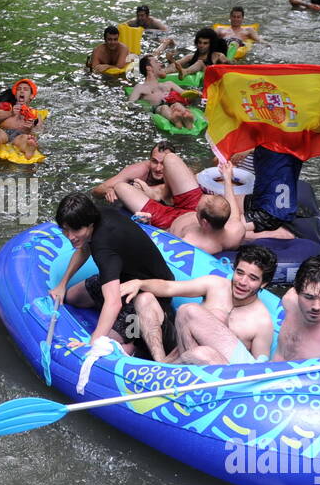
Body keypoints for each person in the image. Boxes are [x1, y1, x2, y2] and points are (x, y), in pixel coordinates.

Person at [49, 193, 178, 362]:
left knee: (108, 343)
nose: (70, 236)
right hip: (123, 281)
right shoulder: (95, 215)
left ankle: (134, 344)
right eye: (65, 229)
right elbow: (83, 249)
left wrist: (93, 341)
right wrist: (62, 284)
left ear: (89, 224)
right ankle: (118, 325)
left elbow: (113, 302)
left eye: (76, 230)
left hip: (148, 293)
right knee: (72, 296)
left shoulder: (104, 247)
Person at [118, 244, 277, 365]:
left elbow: (258, 367)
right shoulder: (215, 284)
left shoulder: (261, 322)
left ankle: (166, 367)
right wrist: (139, 283)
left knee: (213, 319)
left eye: (253, 278)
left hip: (208, 364)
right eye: (240, 273)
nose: (243, 282)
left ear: (264, 283)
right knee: (144, 299)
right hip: (177, 348)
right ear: (233, 269)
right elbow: (169, 287)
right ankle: (161, 365)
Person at [112, 152, 246, 255]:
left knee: (120, 187)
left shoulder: (190, 243)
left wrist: (146, 225)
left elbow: (160, 242)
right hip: (189, 206)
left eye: (197, 210)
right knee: (169, 158)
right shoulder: (236, 230)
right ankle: (160, 193)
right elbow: (233, 209)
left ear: (204, 222)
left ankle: (159, 196)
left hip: (167, 221)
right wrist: (227, 177)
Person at [92, 142, 178, 206]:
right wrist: (107, 190)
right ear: (149, 160)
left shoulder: (178, 175)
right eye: (154, 161)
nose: (158, 168)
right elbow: (96, 190)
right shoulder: (138, 171)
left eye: (163, 163)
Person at [128, 56, 195, 130]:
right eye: (156, 62)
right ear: (148, 68)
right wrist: (142, 109)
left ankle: (187, 119)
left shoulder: (169, 84)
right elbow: (130, 104)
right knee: (164, 107)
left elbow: (188, 96)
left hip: (173, 105)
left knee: (177, 104)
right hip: (158, 108)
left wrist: (195, 95)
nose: (161, 64)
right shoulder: (140, 87)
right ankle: (175, 119)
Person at [0, 78, 44, 158]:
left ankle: (28, 148)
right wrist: (10, 113)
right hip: (4, 131)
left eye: (25, 89)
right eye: (19, 89)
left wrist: (31, 128)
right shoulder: (8, 106)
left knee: (25, 138)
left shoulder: (35, 114)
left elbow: (40, 130)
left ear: (31, 96)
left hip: (20, 135)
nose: (21, 91)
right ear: (15, 94)